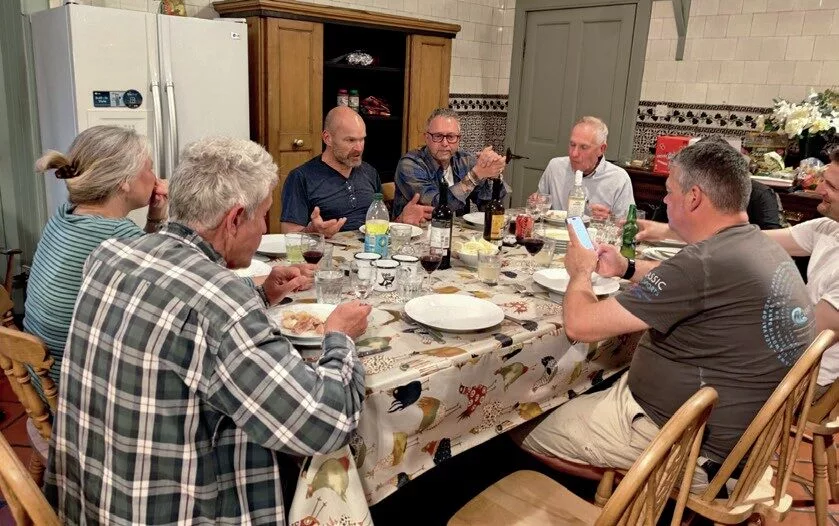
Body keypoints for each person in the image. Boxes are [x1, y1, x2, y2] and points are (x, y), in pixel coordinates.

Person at [45, 137, 372, 525]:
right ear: (234, 219)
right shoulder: (222, 304)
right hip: (169, 510)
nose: (263, 227)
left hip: (90, 499)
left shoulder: (109, 254)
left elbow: (181, 303)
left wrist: (261, 293)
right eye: (263, 216)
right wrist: (339, 335)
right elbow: (325, 425)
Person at [515, 139, 815, 491]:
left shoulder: (703, 262)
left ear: (694, 197)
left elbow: (581, 325)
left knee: (516, 421)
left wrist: (580, 272)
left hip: (690, 447)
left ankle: (639, 487)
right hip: (741, 440)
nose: (666, 201)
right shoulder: (758, 245)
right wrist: (626, 268)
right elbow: (685, 279)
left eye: (670, 191)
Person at [24, 125, 168, 386]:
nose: (156, 177)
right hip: (76, 387)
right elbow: (182, 286)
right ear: (124, 181)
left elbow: (144, 257)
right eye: (149, 168)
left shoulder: (65, 215)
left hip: (40, 376)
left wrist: (154, 218)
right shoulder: (118, 236)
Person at [281, 106, 432, 236]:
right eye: (351, 140)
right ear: (327, 138)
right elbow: (289, 236)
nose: (359, 148)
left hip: (371, 252)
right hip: (328, 254)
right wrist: (312, 231)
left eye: (362, 139)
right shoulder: (301, 177)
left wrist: (401, 220)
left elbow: (380, 228)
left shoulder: (369, 172)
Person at [392, 107, 507, 219]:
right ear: (426, 138)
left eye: (451, 137)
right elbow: (437, 207)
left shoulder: (465, 161)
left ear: (459, 139)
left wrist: (493, 175)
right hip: (418, 230)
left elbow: (488, 207)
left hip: (459, 230)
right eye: (438, 136)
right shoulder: (410, 164)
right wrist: (474, 176)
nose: (445, 143)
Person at [535, 116, 635, 220]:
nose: (574, 154)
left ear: (601, 149)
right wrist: (535, 203)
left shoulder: (619, 179)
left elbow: (628, 225)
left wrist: (611, 219)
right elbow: (539, 209)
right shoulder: (555, 167)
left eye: (584, 147)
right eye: (572, 145)